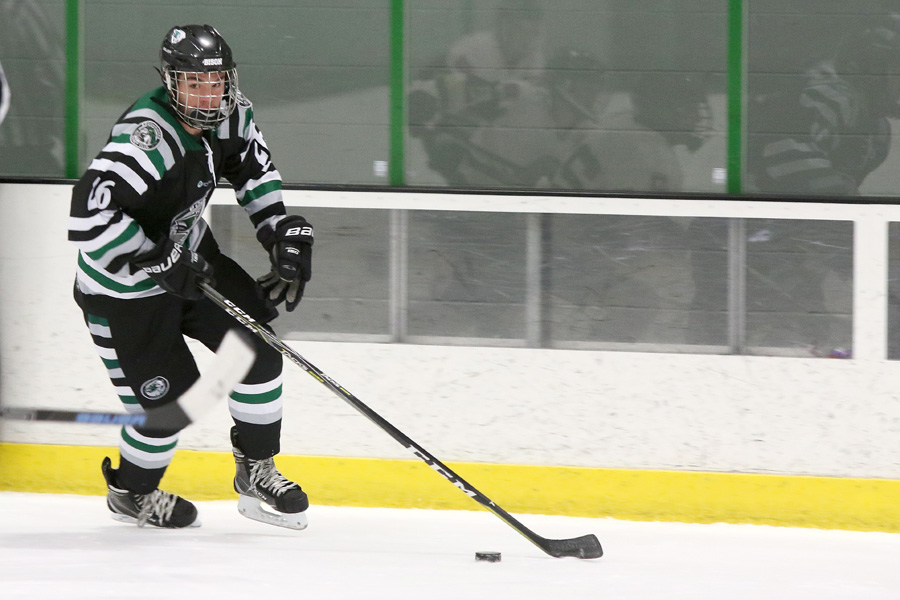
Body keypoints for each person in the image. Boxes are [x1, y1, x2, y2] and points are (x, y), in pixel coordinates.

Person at [67, 25, 313, 529]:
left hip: (193, 260)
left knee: (258, 354)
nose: (208, 94)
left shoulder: (232, 114)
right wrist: (153, 256)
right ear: (171, 82)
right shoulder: (147, 137)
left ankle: (256, 469)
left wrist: (279, 230)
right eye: (194, 83)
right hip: (123, 290)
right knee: (172, 406)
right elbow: (88, 216)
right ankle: (132, 493)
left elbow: (253, 172)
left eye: (217, 82)